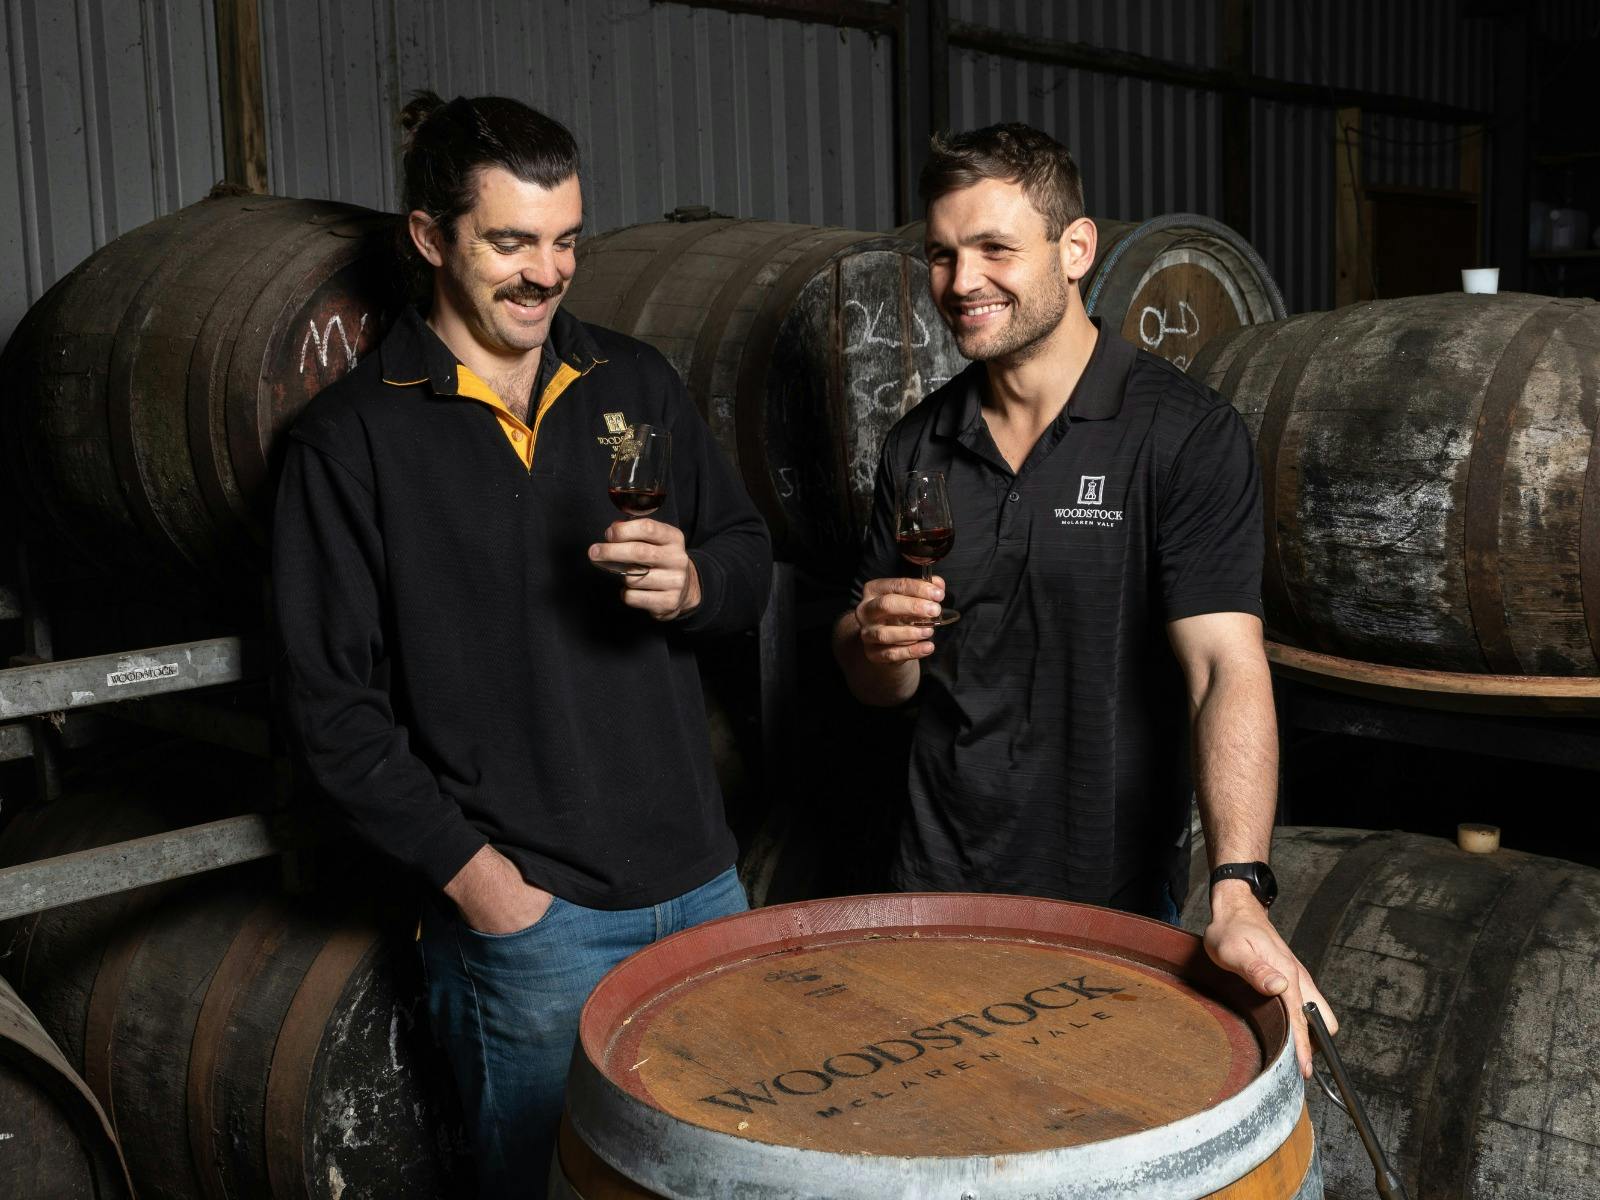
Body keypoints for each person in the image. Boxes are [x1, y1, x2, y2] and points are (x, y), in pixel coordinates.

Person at [273, 92, 771, 1196]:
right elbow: (332, 710)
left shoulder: (632, 382)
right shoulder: (353, 441)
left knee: (731, 1179)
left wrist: (695, 582)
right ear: (428, 237)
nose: (546, 273)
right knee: (551, 1186)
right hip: (534, 924)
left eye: (565, 241)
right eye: (509, 241)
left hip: (700, 885)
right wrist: (485, 887)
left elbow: (745, 555)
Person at [833, 123, 1335, 1076]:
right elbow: (879, 687)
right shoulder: (916, 448)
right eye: (940, 254)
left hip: (1109, 905)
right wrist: (872, 646)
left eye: (994, 249)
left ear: (1076, 251)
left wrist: (1236, 886)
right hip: (934, 890)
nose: (961, 280)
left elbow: (1225, 666)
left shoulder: (1183, 437)